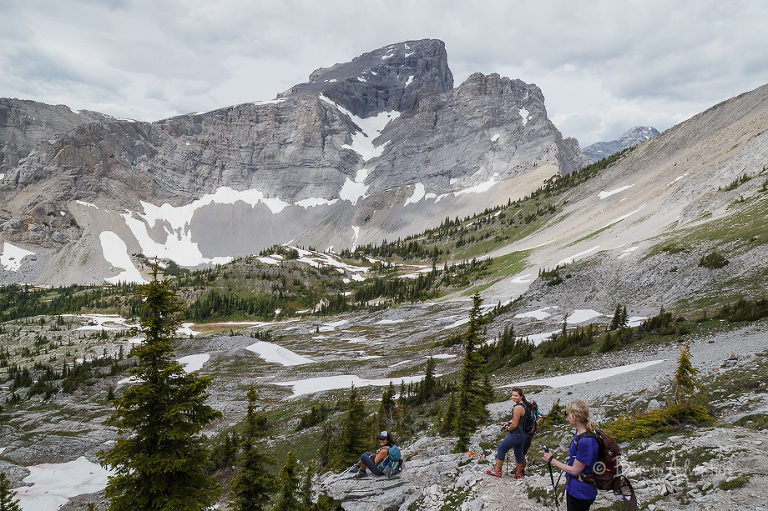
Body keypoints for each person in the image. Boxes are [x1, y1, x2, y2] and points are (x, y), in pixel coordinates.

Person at [543, 399, 600, 511]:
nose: (566, 417)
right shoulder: (585, 433)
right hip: (580, 487)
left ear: (573, 417)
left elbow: (575, 470)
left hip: (580, 491)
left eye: (567, 414)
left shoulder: (585, 441)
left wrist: (552, 460)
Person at [486, 387, 531, 478]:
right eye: (512, 395)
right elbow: (517, 420)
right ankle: (519, 473)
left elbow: (514, 425)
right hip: (523, 434)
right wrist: (509, 423)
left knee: (501, 447)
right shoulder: (525, 406)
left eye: (516, 395)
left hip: (517, 434)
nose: (513, 397)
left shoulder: (517, 408)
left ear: (521, 396)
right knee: (519, 452)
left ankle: (497, 471)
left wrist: (508, 428)